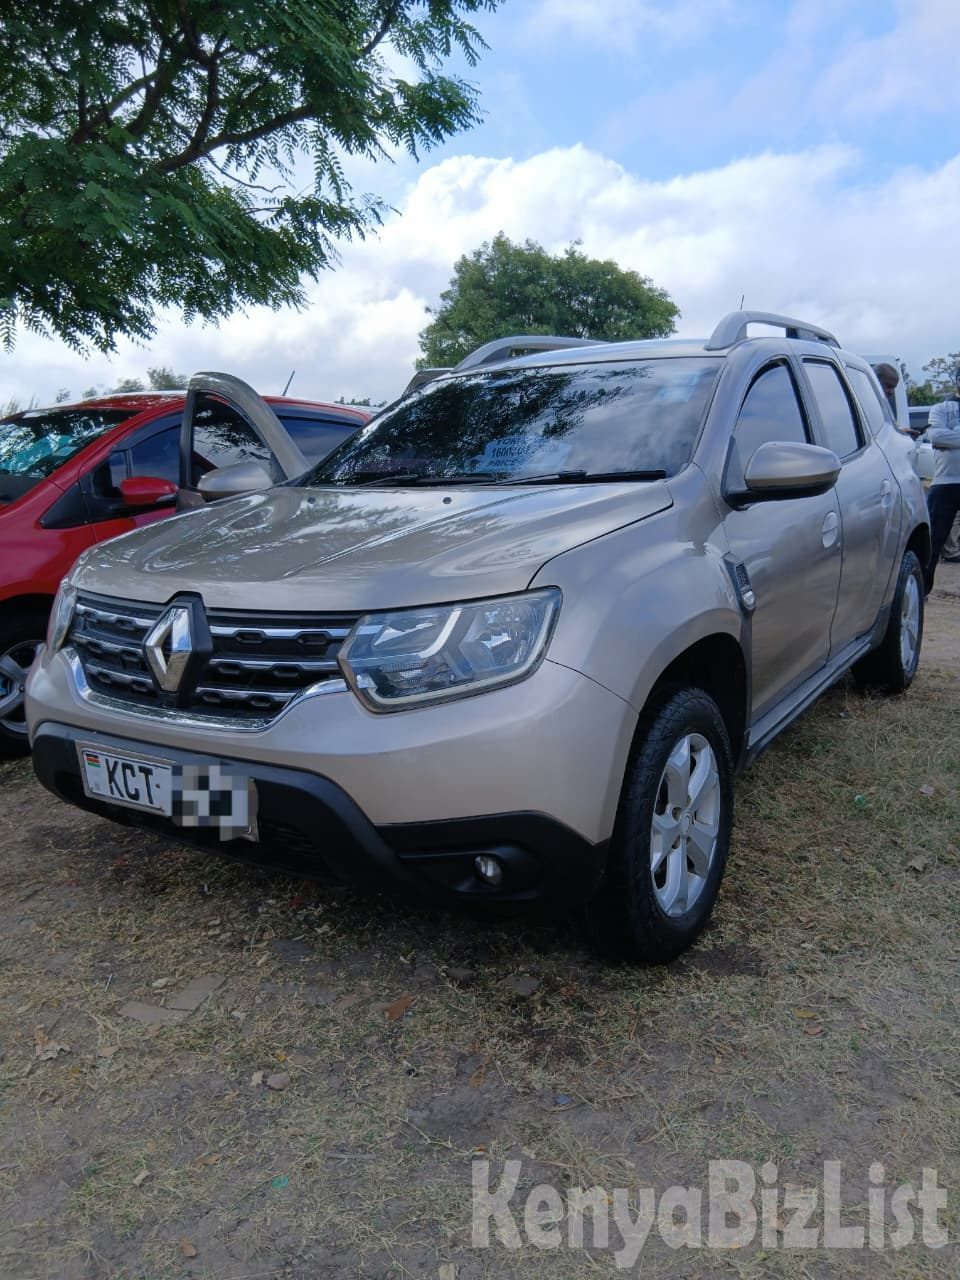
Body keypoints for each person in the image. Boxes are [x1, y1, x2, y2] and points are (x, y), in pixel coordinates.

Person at [925, 366, 960, 591]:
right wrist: (943, 438)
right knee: (932, 541)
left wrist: (952, 435)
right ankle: (923, 589)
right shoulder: (941, 408)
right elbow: (936, 436)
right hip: (946, 481)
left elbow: (945, 437)